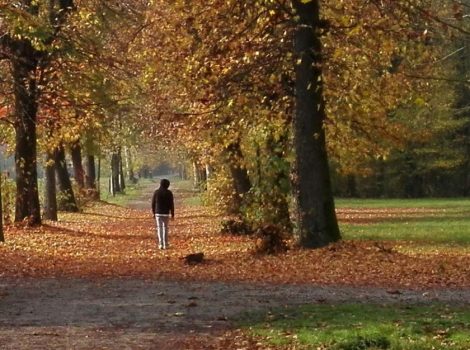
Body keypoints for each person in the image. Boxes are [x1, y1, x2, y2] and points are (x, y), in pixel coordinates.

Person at [151, 179, 175, 249]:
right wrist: (172, 214)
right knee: (165, 228)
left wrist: (153, 212)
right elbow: (171, 204)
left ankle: (160, 244)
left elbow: (153, 203)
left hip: (158, 213)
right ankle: (166, 244)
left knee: (159, 228)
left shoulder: (156, 192)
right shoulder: (169, 193)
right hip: (166, 214)